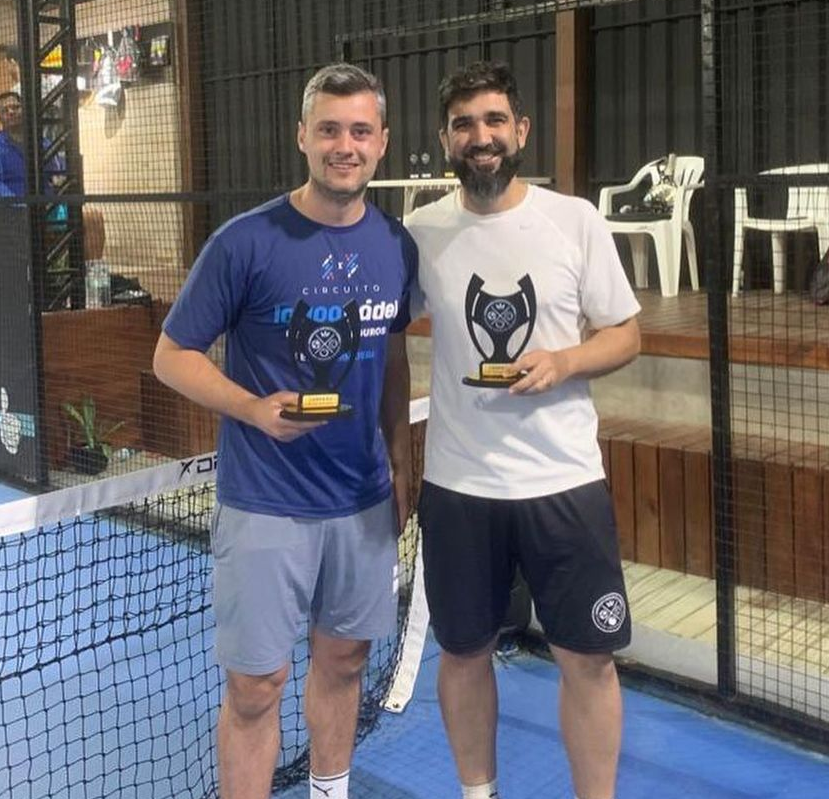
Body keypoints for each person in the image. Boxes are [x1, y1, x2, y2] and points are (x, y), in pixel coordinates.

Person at [151, 63, 415, 799]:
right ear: (302, 136)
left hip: (362, 502)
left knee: (345, 661)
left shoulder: (396, 245)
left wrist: (401, 459)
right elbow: (171, 355)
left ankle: (330, 790)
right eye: (329, 129)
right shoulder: (244, 242)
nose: (343, 145)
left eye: (359, 130)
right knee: (255, 686)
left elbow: (392, 355)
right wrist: (254, 409)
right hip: (264, 503)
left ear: (381, 142)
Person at [404, 61, 641, 799]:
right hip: (458, 486)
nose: (481, 136)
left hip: (563, 484)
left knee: (588, 659)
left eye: (494, 121)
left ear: (521, 130)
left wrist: (566, 361)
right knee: (462, 653)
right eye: (464, 124)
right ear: (445, 138)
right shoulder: (420, 232)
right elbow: (378, 332)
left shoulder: (574, 220)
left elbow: (625, 333)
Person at [0, 91, 107, 267]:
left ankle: (93, 276)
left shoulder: (42, 142)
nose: (11, 112)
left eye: (15, 107)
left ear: (24, 110)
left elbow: (58, 171)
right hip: (15, 212)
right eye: (5, 110)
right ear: (0, 117)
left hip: (48, 206)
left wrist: (60, 180)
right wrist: (23, 205)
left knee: (92, 217)